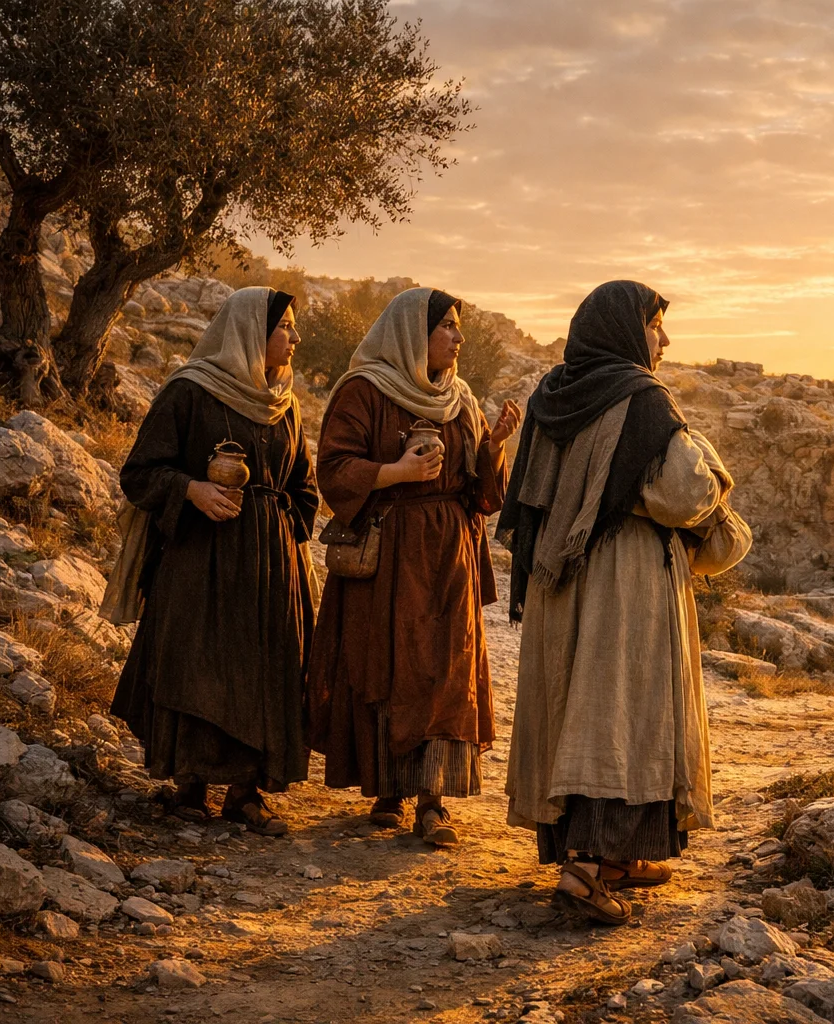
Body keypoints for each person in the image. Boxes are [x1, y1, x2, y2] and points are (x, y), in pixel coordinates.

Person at [498, 280, 751, 923]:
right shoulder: (640, 398)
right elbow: (679, 492)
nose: (665, 339)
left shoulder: (554, 395)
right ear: (626, 329)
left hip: (562, 579)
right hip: (623, 581)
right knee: (619, 713)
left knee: (576, 709)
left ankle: (618, 856)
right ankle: (588, 869)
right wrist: (709, 463)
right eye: (656, 325)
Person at [308, 288, 520, 845]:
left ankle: (433, 800)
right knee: (388, 664)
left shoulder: (461, 399)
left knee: (444, 669)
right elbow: (333, 468)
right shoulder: (364, 390)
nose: (458, 337)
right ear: (411, 334)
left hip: (449, 556)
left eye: (457, 326)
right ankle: (388, 789)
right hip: (389, 556)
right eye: (447, 326)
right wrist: (396, 472)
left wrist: (493, 447)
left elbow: (480, 494)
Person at [112, 286, 318, 836]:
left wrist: (279, 530)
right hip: (199, 560)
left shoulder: (286, 404)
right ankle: (191, 787)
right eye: (285, 328)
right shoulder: (190, 391)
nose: (295, 338)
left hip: (270, 568)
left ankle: (247, 794)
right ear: (252, 331)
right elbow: (139, 473)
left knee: (264, 667)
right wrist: (193, 491)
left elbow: (303, 485)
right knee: (198, 661)